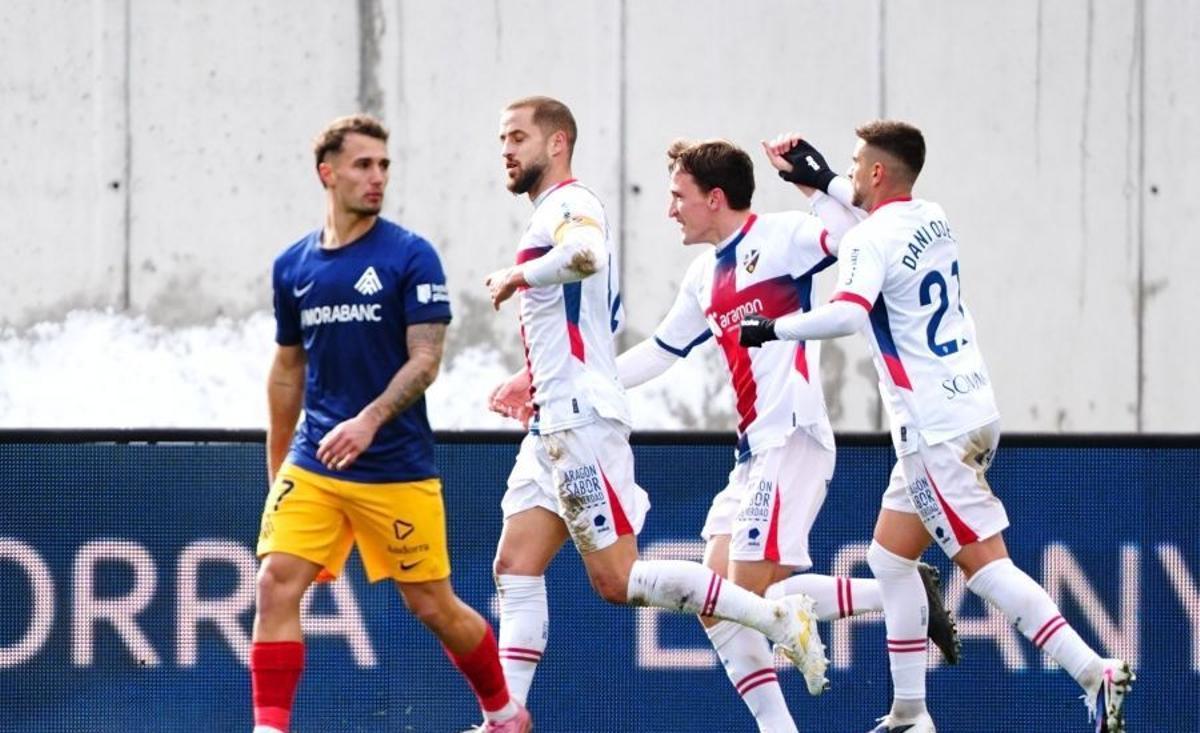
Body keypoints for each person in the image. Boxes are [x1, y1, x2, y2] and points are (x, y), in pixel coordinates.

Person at [739, 121, 1135, 732]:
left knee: (986, 568)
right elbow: (870, 215)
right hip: (970, 408)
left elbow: (846, 315)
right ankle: (910, 712)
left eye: (855, 164)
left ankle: (1093, 671)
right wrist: (819, 181)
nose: (849, 171)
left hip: (932, 430)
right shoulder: (933, 215)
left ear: (876, 172)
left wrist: (772, 328)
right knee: (889, 559)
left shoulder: (867, 240)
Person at [481, 96, 829, 717]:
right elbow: (639, 343)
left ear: (557, 143)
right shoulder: (698, 273)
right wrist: (530, 376)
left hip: (583, 422)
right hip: (555, 415)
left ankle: (777, 617)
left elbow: (586, 254)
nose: (506, 149)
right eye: (502, 139)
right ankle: (507, 718)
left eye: (517, 137)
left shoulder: (569, 205)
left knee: (618, 580)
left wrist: (518, 275)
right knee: (515, 565)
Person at [612, 137, 958, 733]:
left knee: (743, 598)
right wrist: (578, 384)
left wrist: (817, 186)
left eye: (678, 196)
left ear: (714, 198)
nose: (670, 210)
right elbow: (660, 352)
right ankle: (890, 603)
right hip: (751, 453)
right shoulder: (703, 275)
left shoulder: (781, 236)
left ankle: (895, 595)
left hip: (792, 438)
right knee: (717, 604)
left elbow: (857, 237)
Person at [250, 114, 530, 733]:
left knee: (432, 605)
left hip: (394, 465)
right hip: (316, 460)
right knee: (274, 583)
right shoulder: (293, 266)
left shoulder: (409, 255)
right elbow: (287, 372)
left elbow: (426, 360)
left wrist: (370, 420)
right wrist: (280, 472)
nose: (377, 177)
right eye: (363, 165)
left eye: (383, 165)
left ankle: (504, 714)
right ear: (327, 174)